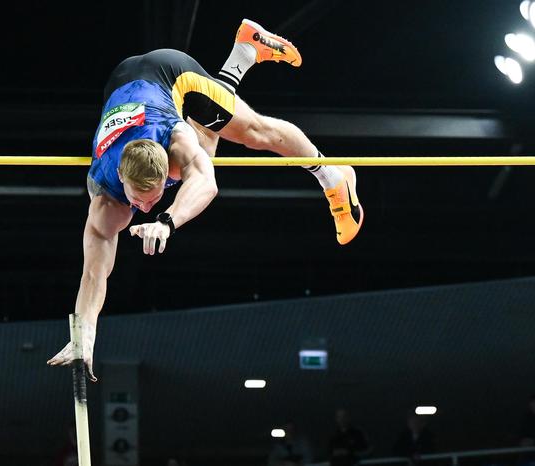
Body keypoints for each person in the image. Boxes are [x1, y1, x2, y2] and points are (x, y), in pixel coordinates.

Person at [47, 19, 365, 379]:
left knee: (254, 133)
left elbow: (207, 184)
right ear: (121, 176)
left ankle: (336, 178)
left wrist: (167, 222)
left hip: (172, 74)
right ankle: (243, 52)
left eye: (154, 197)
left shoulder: (177, 141)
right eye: (140, 200)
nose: (147, 207)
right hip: (123, 82)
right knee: (210, 136)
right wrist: (84, 334)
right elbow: (94, 270)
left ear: (168, 165)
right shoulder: (105, 194)